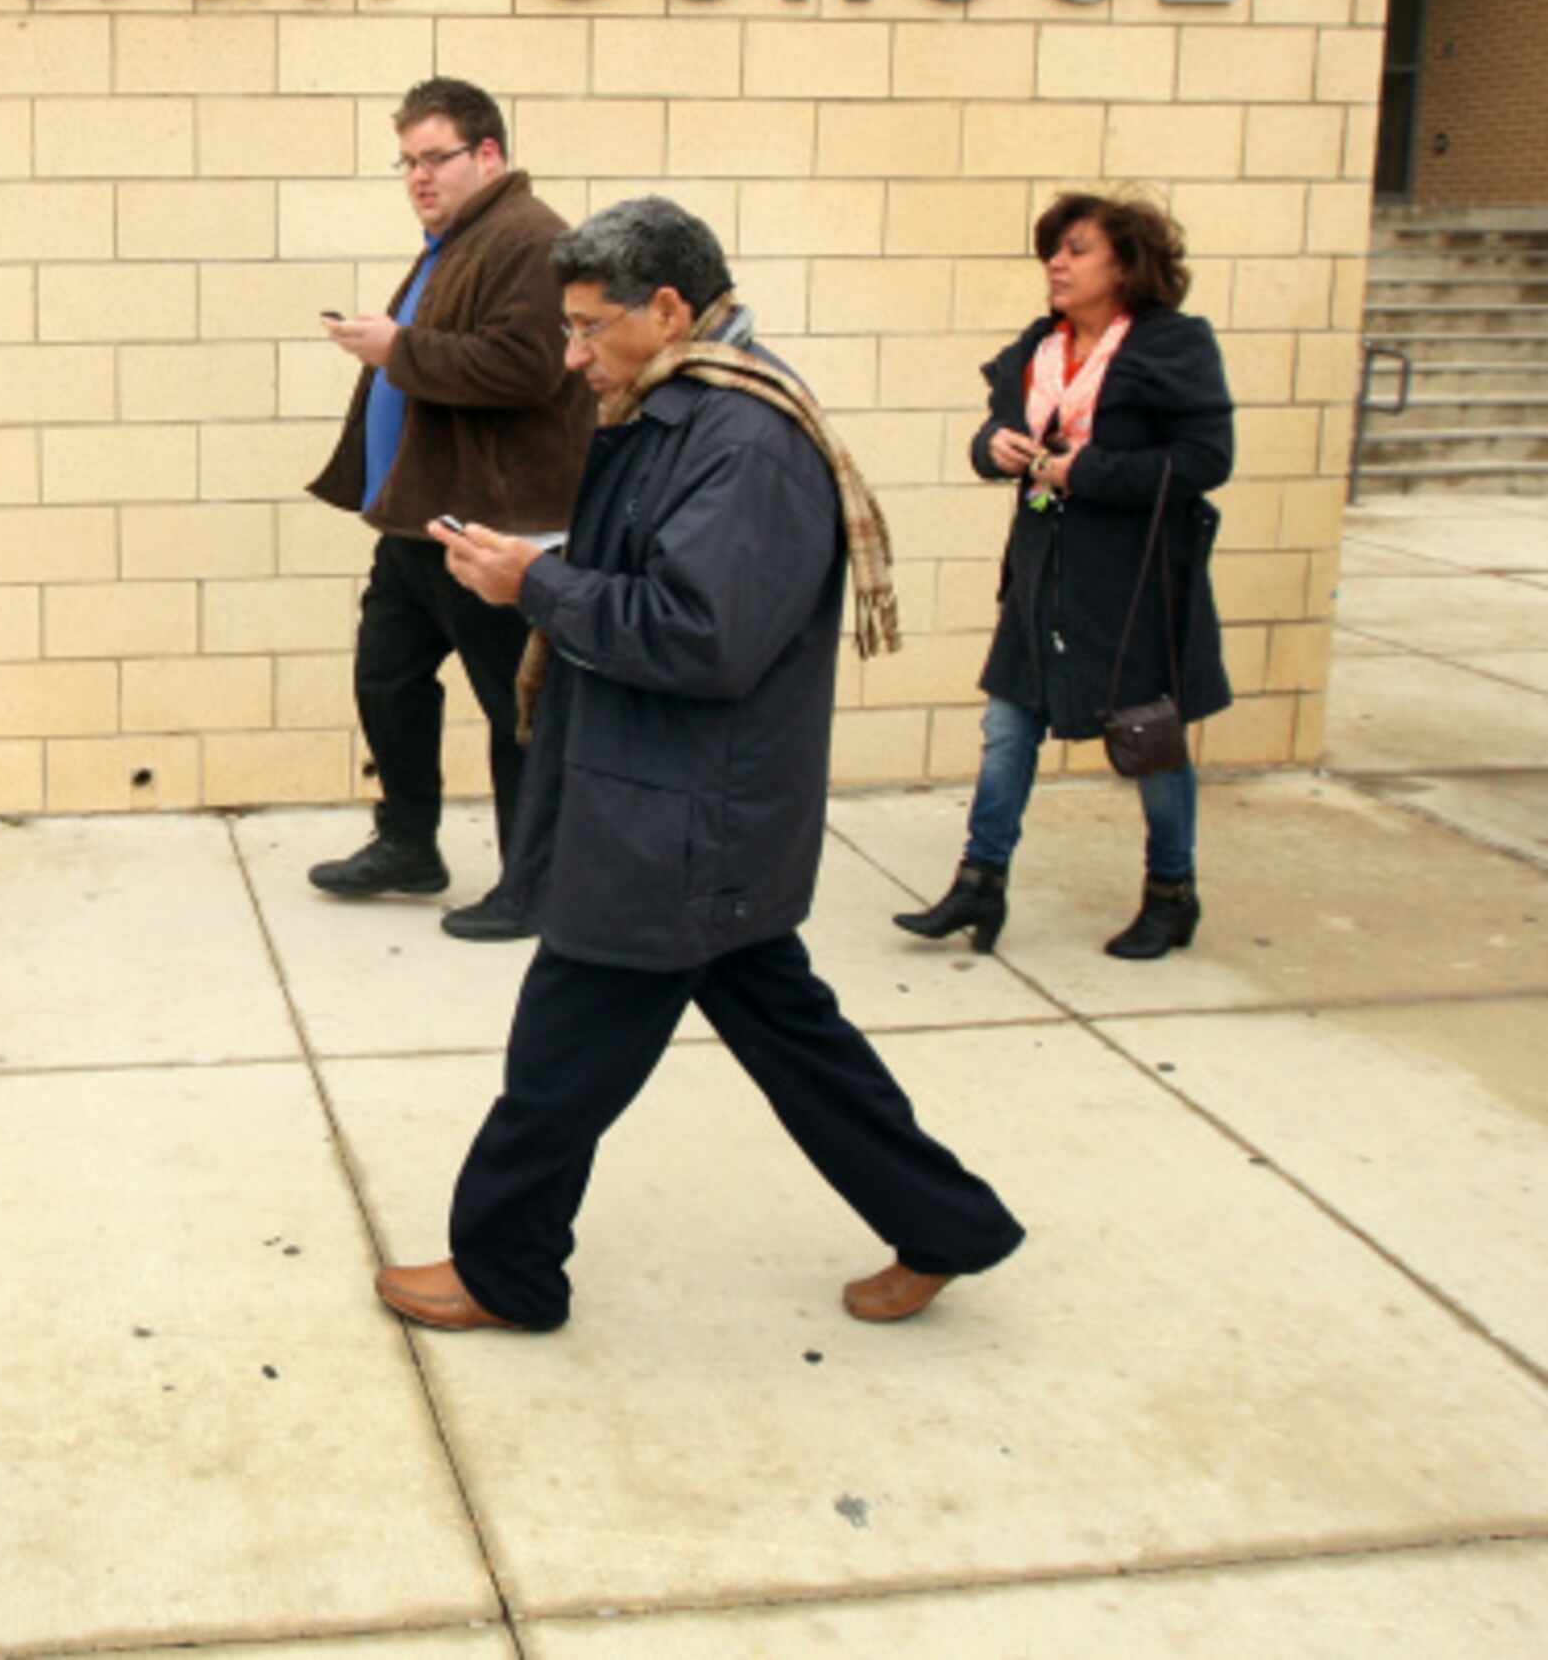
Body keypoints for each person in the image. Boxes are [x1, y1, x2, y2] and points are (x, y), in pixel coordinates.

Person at [372, 197, 1025, 1336]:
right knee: (795, 1042)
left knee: (557, 1067)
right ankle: (948, 1224)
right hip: (683, 807)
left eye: (586, 328)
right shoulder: (680, 405)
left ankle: (506, 1272)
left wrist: (535, 587)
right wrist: (545, 572)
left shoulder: (744, 440)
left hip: (676, 824)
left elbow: (701, 635)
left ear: (667, 307)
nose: (571, 357)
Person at [892, 191, 1233, 961]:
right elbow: (994, 432)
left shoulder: (1169, 345)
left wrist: (1094, 471)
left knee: (1149, 738)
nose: (1057, 263)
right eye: (1054, 249)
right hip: (1043, 573)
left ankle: (1171, 894)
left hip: (1135, 580)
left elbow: (1209, 460)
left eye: (1077, 249)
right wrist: (994, 448)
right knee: (1009, 725)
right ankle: (980, 884)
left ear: (1126, 262)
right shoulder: (1039, 349)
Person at [304, 76, 595, 942]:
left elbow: (527, 368)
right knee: (385, 678)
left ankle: (535, 883)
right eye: (407, 161)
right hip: (417, 519)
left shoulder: (533, 240)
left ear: (490, 155)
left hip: (491, 529)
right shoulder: (456, 240)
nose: (418, 177)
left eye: (436, 158)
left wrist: (399, 347)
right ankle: (407, 844)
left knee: (516, 710)